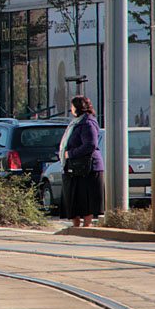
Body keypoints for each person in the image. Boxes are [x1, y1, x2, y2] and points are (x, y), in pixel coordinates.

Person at [61, 95, 104, 227]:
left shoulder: (87, 123)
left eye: (72, 106)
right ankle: (76, 226)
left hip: (87, 168)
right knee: (73, 198)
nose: (71, 109)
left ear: (78, 107)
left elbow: (90, 145)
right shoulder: (77, 122)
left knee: (86, 199)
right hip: (75, 168)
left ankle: (86, 225)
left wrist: (70, 154)